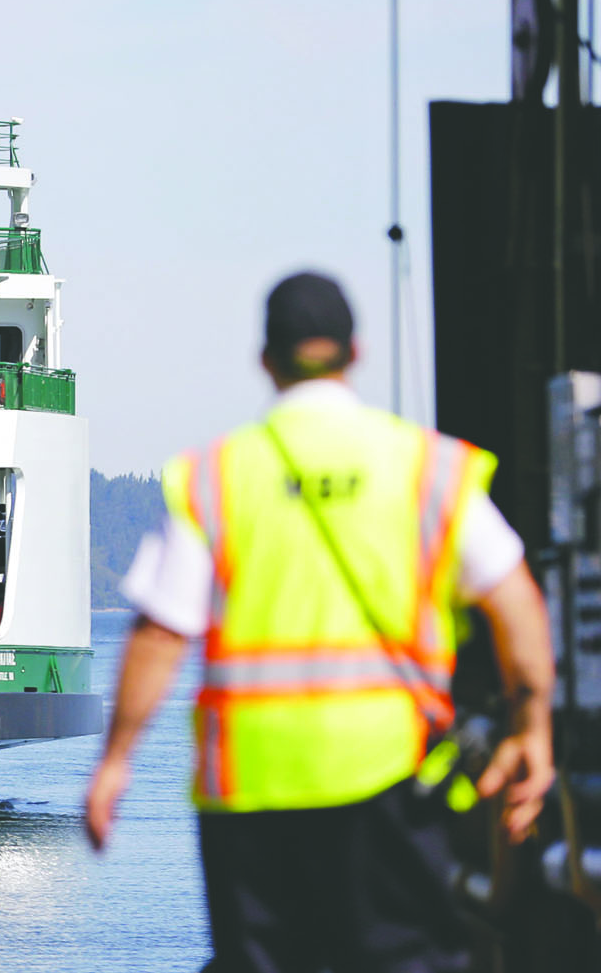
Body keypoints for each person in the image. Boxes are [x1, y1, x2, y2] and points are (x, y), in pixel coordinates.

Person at [84, 272, 556, 972]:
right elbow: (515, 598)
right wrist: (533, 730)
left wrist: (115, 760)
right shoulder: (425, 467)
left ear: (266, 360)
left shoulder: (219, 476)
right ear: (354, 353)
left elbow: (160, 631)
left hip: (252, 788)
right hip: (392, 777)